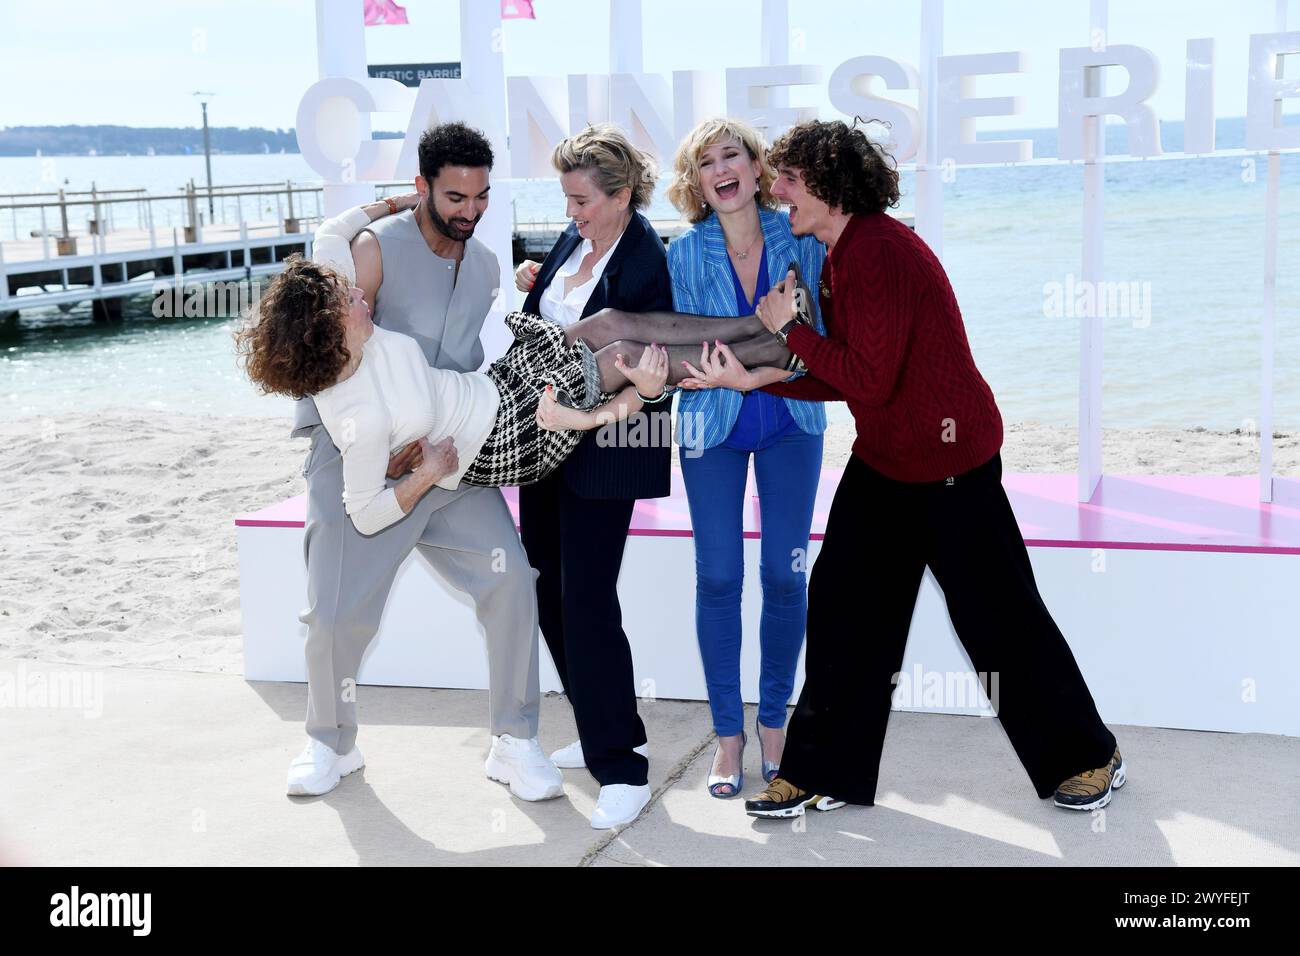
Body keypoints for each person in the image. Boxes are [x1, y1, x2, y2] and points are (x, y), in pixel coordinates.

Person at [739, 119, 1125, 820]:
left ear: (828, 184)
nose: (776, 189)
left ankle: (1089, 755)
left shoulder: (880, 251)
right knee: (845, 614)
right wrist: (758, 380)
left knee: (1001, 624)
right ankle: (820, 771)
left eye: (788, 179)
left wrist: (785, 331)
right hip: (888, 461)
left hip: (952, 467)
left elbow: (871, 378)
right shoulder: (841, 250)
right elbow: (856, 378)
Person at [271, 123, 564, 802]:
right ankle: (329, 741)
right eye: (455, 195)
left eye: (481, 196)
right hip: (361, 458)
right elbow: (321, 354)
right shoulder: (373, 253)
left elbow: (463, 365)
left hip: (450, 461)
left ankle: (514, 741)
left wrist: (437, 456)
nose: (470, 210)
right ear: (421, 188)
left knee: (512, 581)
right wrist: (364, 442)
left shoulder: (488, 266)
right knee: (338, 614)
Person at [662, 118, 828, 798]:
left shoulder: (800, 236)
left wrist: (771, 350)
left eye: (733, 154)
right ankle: (728, 737)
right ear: (696, 183)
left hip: (793, 419)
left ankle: (775, 727)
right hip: (711, 426)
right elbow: (676, 348)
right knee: (721, 577)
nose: (721, 168)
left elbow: (817, 333)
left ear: (758, 169)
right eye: (707, 161)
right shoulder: (683, 254)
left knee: (786, 578)